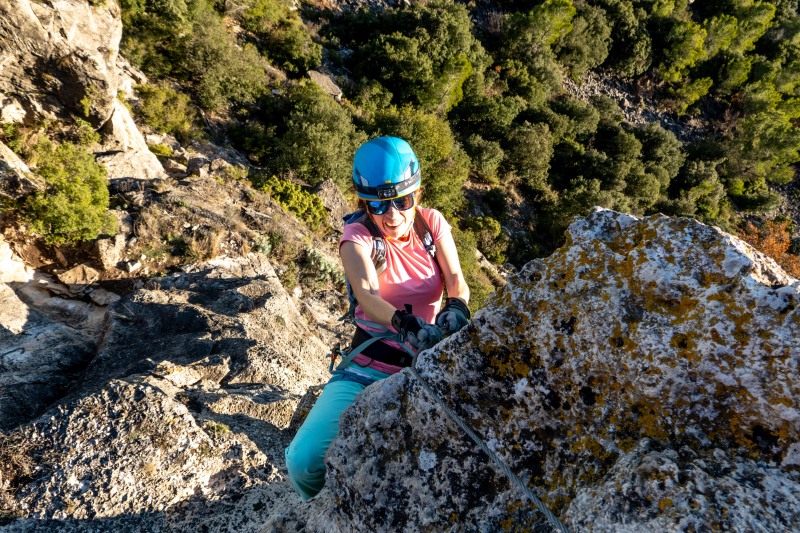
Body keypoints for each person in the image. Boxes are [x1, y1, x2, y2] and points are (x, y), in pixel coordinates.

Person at [284, 136, 471, 500]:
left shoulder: (431, 225)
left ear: (418, 192)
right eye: (378, 205)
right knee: (303, 460)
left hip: (427, 363)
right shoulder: (358, 238)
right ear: (363, 203)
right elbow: (368, 296)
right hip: (371, 364)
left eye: (403, 201)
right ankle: (317, 513)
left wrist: (457, 307)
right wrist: (403, 323)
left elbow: (456, 281)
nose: (393, 215)